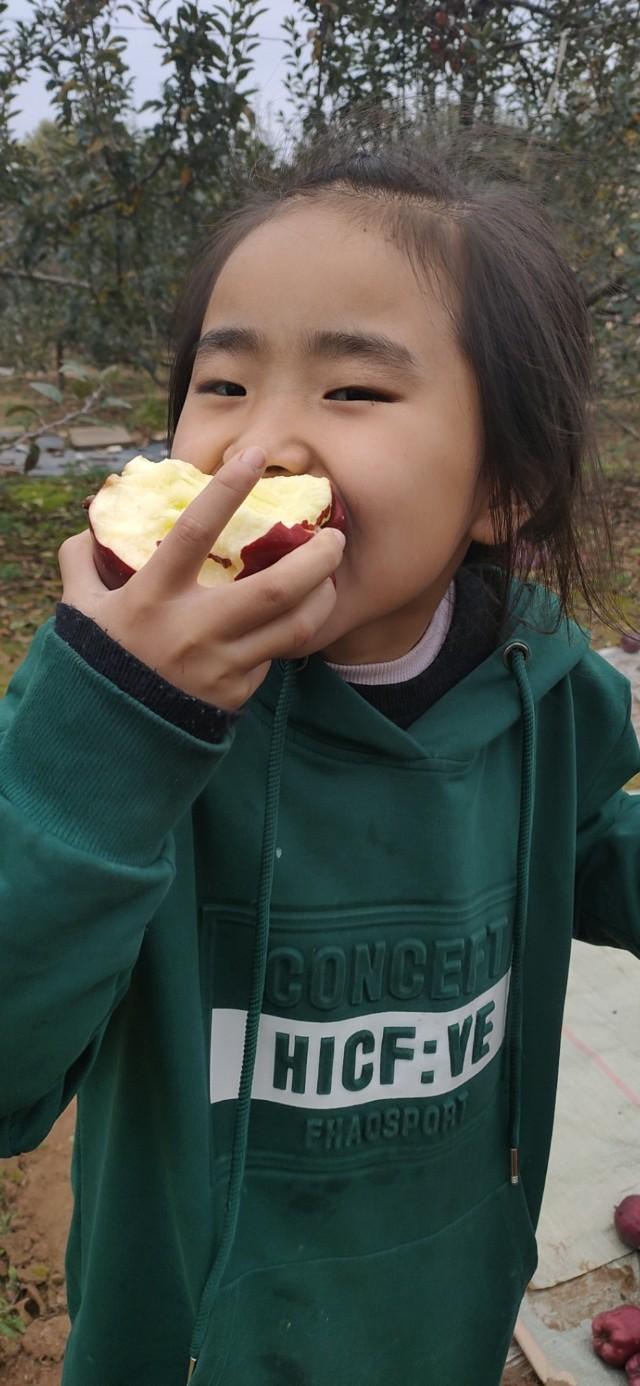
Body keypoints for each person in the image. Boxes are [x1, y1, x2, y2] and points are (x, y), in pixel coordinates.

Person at [1, 119, 639, 1386]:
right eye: (225, 385)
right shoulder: (110, 726)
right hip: (185, 1346)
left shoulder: (546, 687)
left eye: (351, 390)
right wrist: (115, 721)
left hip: (445, 1314)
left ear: (502, 484)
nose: (261, 445)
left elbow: (586, 844)